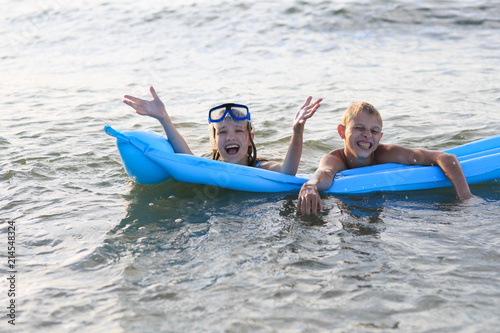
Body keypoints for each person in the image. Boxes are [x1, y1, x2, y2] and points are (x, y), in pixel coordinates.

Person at [297, 101, 473, 215]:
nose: (367, 135)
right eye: (359, 128)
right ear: (342, 132)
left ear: (380, 137)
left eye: (374, 131)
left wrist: (465, 199)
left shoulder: (386, 154)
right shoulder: (336, 159)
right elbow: (325, 172)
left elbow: (445, 158)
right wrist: (311, 185)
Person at [123, 86, 322, 175]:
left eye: (238, 131)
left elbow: (288, 170)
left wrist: (297, 131)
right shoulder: (211, 168)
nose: (230, 137)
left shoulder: (260, 168)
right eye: (223, 132)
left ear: (250, 137)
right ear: (215, 139)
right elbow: (187, 158)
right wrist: (164, 118)